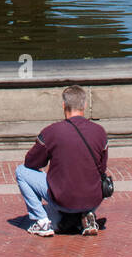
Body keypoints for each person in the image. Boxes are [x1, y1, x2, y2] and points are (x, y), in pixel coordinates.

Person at [15, 85, 109, 237]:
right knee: (94, 176)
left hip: (63, 198)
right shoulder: (100, 132)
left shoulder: (51, 131)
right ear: (84, 105)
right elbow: (102, 169)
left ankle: (42, 222)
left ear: (64, 105)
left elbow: (31, 162)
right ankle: (87, 214)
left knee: (21, 171)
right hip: (93, 198)